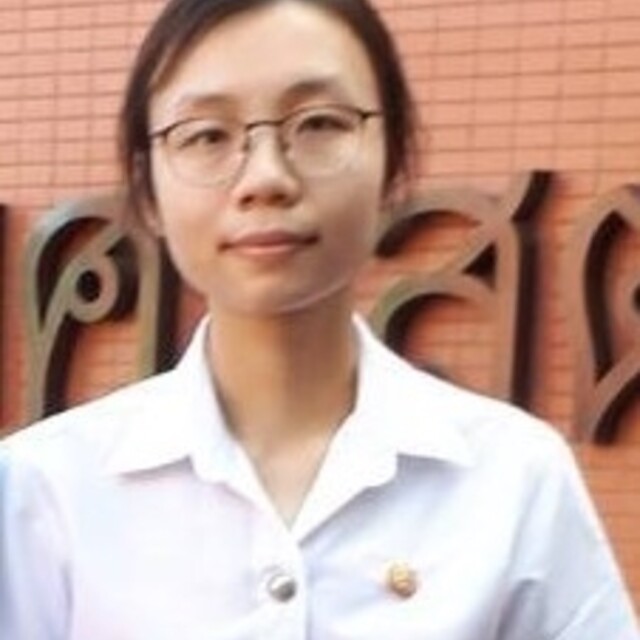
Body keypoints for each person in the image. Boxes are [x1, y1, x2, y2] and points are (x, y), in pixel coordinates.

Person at [1, 0, 638, 638]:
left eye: (319, 124)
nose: (266, 178)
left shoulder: (513, 478)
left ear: (394, 167)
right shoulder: (42, 492)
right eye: (207, 135)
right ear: (147, 191)